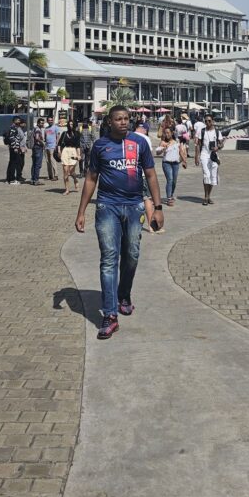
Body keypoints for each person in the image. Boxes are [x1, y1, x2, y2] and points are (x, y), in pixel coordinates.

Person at [75, 106, 164, 340]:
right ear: (110, 122)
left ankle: (124, 295)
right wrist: (81, 211)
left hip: (134, 206)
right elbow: (91, 178)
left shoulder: (139, 143)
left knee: (132, 254)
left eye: (126, 119)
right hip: (107, 207)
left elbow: (151, 175)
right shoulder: (100, 146)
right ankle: (110, 314)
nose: (124, 122)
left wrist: (158, 207)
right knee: (109, 258)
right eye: (119, 119)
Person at [196, 114, 224, 206]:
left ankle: (208, 196)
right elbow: (198, 144)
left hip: (213, 155)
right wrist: (197, 156)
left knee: (212, 176)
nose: (207, 122)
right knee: (206, 175)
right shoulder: (202, 131)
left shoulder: (217, 132)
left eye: (209, 121)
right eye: (206, 121)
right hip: (204, 154)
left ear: (212, 121)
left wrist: (218, 147)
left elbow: (221, 144)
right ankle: (205, 196)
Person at [156, 126, 181, 206]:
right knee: (170, 180)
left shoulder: (177, 141)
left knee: (174, 181)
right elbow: (157, 153)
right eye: (165, 133)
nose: (167, 134)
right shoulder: (163, 142)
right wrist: (163, 149)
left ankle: (171, 194)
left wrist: (184, 161)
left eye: (168, 133)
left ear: (172, 133)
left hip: (176, 164)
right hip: (167, 163)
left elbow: (180, 151)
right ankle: (169, 198)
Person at [59, 121, 81, 194]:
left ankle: (75, 179)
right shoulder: (64, 133)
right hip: (65, 151)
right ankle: (67, 189)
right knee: (65, 172)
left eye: (72, 124)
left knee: (71, 171)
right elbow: (59, 144)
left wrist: (79, 155)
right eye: (69, 124)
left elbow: (78, 146)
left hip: (73, 151)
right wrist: (59, 152)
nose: (70, 125)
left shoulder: (77, 134)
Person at [5, 116, 26, 185]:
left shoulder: (14, 128)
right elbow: (12, 138)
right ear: (14, 121)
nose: (19, 121)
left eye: (19, 120)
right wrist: (15, 148)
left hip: (14, 148)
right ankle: (12, 179)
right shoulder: (13, 128)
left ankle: (9, 179)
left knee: (12, 163)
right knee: (14, 164)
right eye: (18, 120)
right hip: (14, 148)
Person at [30, 117, 47, 185]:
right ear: (38, 123)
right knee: (38, 164)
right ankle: (36, 180)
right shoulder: (38, 130)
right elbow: (37, 138)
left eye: (43, 123)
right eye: (41, 123)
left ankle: (33, 179)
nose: (42, 124)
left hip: (35, 148)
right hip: (38, 148)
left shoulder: (35, 129)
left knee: (34, 164)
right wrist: (42, 143)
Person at [44, 117, 61, 182]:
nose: (50, 121)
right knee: (48, 162)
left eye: (51, 120)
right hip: (47, 146)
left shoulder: (56, 127)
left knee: (52, 161)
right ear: (47, 121)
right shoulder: (46, 129)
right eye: (49, 120)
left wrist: (57, 145)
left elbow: (58, 136)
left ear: (53, 121)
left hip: (53, 146)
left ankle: (56, 175)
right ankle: (50, 175)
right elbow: (45, 138)